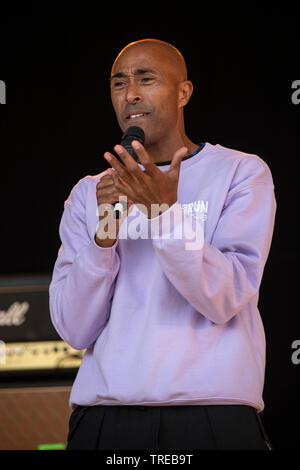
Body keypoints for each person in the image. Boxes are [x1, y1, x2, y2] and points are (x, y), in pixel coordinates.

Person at [49, 38, 276, 450]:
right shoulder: (89, 193)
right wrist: (103, 239)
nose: (131, 93)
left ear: (183, 92)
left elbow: (224, 298)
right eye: (119, 84)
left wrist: (163, 215)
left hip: (212, 414)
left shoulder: (241, 172)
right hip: (106, 418)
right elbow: (74, 329)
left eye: (146, 79)